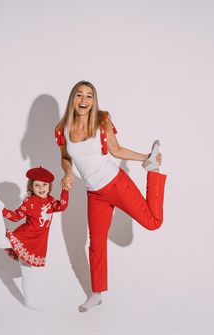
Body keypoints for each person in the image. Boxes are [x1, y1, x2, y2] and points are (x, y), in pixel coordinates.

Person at [55, 81, 167, 312]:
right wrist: (67, 172)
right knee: (95, 244)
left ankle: (153, 172)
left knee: (153, 223)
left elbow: (116, 150)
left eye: (89, 96)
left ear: (94, 101)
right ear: (72, 99)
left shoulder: (102, 120)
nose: (84, 101)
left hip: (116, 183)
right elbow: (66, 157)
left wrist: (147, 157)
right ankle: (96, 294)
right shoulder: (62, 128)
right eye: (79, 95)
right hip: (94, 193)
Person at [0, 166, 70, 310]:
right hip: (26, 238)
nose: (41, 188)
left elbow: (62, 206)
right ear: (31, 186)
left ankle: (28, 302)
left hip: (36, 243)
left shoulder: (50, 201)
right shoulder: (30, 202)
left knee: (28, 273)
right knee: (0, 242)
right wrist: (2, 212)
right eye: (37, 185)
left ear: (49, 186)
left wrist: (66, 190)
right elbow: (15, 217)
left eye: (44, 184)